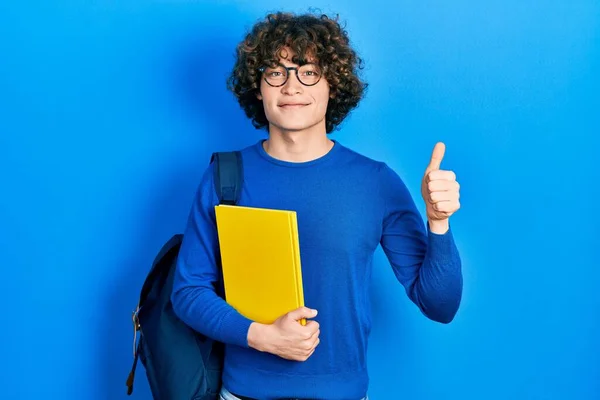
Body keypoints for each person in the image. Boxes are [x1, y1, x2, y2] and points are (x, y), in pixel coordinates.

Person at [171, 10, 463, 400]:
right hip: (243, 394)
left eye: (308, 71)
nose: (291, 86)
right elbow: (188, 292)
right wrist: (261, 337)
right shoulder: (225, 176)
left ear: (333, 85)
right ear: (258, 88)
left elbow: (439, 305)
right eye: (276, 72)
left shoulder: (375, 182)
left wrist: (438, 222)